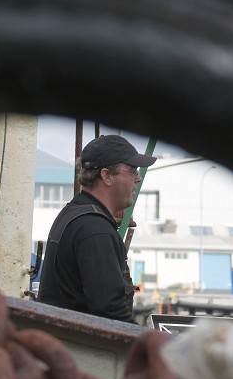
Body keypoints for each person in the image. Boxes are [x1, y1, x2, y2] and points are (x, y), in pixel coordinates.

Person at [37, 134, 156, 323]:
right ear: (107, 176)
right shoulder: (95, 230)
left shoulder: (73, 214)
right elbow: (110, 311)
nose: (138, 179)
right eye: (133, 171)